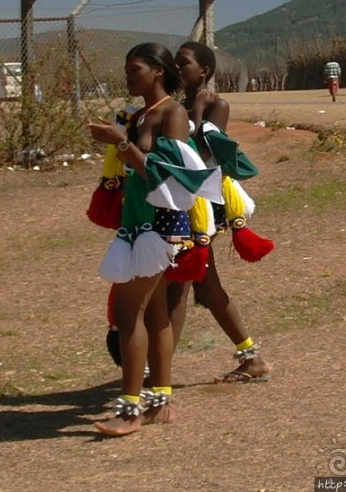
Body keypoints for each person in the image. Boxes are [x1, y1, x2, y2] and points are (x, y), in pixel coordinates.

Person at [87, 42, 222, 437]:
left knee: (130, 313)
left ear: (158, 73)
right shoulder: (142, 114)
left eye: (135, 69)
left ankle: (129, 410)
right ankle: (160, 403)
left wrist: (121, 143)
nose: (128, 77)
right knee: (155, 313)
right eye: (128, 70)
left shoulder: (173, 114)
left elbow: (168, 177)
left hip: (158, 226)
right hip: (141, 222)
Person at [171, 41, 273, 384]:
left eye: (184, 63)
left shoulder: (216, 104)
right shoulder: (177, 105)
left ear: (205, 71)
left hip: (203, 205)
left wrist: (196, 110)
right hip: (184, 200)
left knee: (179, 285)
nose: (177, 67)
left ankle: (156, 374)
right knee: (206, 286)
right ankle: (251, 357)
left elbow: (201, 150)